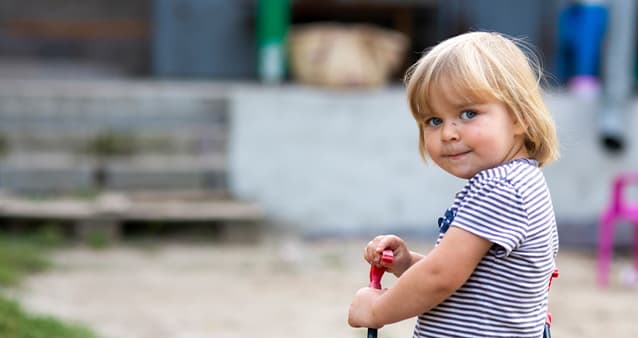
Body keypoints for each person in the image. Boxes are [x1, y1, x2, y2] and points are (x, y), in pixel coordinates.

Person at [347, 31, 560, 338]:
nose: (448, 133)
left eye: (468, 113)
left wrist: (377, 310)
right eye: (434, 120)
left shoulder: (500, 188)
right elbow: (470, 279)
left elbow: (442, 277)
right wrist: (407, 264)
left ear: (519, 117)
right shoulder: (519, 179)